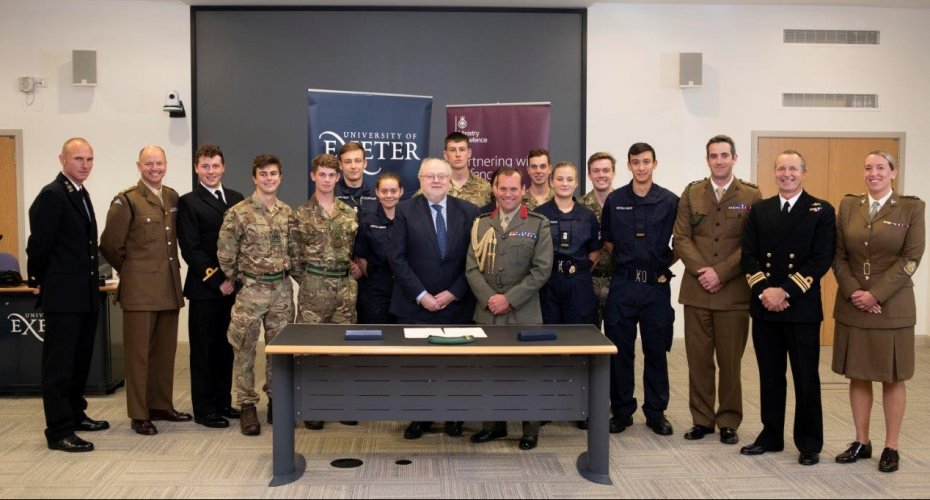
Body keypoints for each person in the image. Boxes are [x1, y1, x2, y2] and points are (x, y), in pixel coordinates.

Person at [740, 150, 835, 466]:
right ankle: (771, 435)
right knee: (769, 375)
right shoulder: (760, 209)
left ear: (804, 172)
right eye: (781, 169)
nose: (787, 174)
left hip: (801, 308)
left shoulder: (820, 210)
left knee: (805, 377)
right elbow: (749, 256)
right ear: (774, 173)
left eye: (793, 168)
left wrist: (786, 291)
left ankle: (809, 442)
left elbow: (821, 258)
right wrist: (767, 291)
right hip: (765, 305)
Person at [832, 151, 924, 473]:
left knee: (892, 376)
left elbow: (911, 258)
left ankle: (891, 445)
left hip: (892, 306)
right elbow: (838, 254)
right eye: (868, 167)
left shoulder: (912, 207)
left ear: (893, 173)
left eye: (880, 168)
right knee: (858, 373)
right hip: (853, 302)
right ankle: (861, 441)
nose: (873, 173)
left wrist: (876, 295)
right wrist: (854, 291)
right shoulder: (848, 206)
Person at [673, 135, 762, 445]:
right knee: (698, 360)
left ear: (734, 158)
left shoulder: (751, 195)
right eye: (714, 156)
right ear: (707, 159)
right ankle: (702, 419)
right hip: (697, 290)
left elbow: (752, 243)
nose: (719, 160)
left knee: (730, 362)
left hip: (734, 292)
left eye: (725, 155)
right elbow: (681, 237)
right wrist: (703, 272)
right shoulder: (692, 192)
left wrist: (721, 273)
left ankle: (728, 420)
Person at [100, 145, 190, 436]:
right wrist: (133, 270)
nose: (155, 168)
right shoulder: (126, 200)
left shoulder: (172, 197)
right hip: (139, 290)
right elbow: (110, 244)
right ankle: (139, 413)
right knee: (138, 355)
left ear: (166, 165)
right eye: (149, 164)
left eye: (159, 163)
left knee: (164, 353)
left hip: (168, 287)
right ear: (139, 166)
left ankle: (160, 405)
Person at [26, 137, 109, 452]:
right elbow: (40, 244)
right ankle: (59, 430)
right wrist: (38, 278)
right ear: (62, 159)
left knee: (79, 361)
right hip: (63, 294)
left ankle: (75, 413)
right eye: (78, 159)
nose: (84, 165)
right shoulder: (52, 195)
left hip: (84, 294)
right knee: (59, 366)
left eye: (89, 159)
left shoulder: (80, 193)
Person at [390, 158, 479, 440]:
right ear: (420, 179)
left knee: (456, 366)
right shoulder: (404, 211)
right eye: (431, 176)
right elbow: (397, 258)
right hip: (415, 305)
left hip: (457, 304)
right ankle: (421, 417)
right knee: (418, 366)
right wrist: (421, 295)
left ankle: (455, 417)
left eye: (442, 176)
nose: (437, 181)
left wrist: (455, 292)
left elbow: (475, 260)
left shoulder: (469, 211)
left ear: (450, 179)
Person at [466, 166, 553, 451]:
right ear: (494, 189)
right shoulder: (480, 223)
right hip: (487, 311)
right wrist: (491, 298)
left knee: (527, 372)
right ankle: (493, 426)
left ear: (523, 190)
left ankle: (530, 430)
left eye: (513, 189)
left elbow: (542, 271)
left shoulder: (538, 224)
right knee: (488, 371)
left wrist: (509, 299)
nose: (507, 194)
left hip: (523, 313)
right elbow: (471, 269)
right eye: (502, 188)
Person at [601, 142, 679, 436]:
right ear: (629, 165)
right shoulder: (616, 199)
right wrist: (629, 261)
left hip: (655, 287)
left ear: (655, 164)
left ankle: (656, 412)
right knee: (620, 351)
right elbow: (608, 239)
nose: (641, 167)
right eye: (636, 162)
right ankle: (622, 411)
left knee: (656, 350)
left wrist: (658, 264)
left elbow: (680, 243)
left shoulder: (670, 200)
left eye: (646, 161)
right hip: (623, 284)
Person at [217, 154, 294, 436]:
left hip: (282, 291)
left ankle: (277, 399)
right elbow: (225, 254)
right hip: (252, 290)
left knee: (280, 349)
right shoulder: (239, 212)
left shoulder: (287, 213)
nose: (269, 178)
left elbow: (294, 252)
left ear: (280, 177)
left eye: (274, 173)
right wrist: (242, 279)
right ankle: (247, 405)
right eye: (263, 174)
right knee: (245, 348)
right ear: (254, 177)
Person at [288, 153, 360, 430]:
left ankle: (341, 403)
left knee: (343, 349)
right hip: (313, 291)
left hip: (344, 290)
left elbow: (353, 251)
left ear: (338, 178)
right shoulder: (300, 214)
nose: (327, 180)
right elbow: (294, 258)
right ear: (313, 176)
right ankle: (313, 405)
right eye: (322, 175)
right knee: (311, 350)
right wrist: (309, 282)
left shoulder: (348, 213)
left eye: (332, 175)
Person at [177, 144, 245, 429]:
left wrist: (236, 279)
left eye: (215, 165)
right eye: (205, 166)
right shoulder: (188, 202)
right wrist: (219, 280)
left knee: (226, 348)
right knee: (204, 350)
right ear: (196, 169)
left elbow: (244, 242)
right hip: (206, 289)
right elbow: (190, 249)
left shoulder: (236, 198)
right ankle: (204, 409)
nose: (210, 171)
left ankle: (222, 401)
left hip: (234, 288)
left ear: (223, 167)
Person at [535, 161, 601, 326]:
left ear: (577, 182)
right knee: (549, 334)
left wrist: (579, 269)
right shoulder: (539, 215)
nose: (565, 183)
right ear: (551, 182)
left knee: (578, 334)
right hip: (548, 282)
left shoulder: (587, 216)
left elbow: (595, 251)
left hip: (578, 282)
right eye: (560, 179)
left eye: (569, 179)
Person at [354, 173, 403, 324]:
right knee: (377, 336)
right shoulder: (367, 221)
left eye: (393, 191)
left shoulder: (409, 218)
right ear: (377, 192)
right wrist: (377, 278)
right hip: (377, 290)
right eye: (384, 191)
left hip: (404, 290)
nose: (389, 195)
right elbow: (361, 257)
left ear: (401, 191)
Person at [579, 152, 617, 323]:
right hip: (588, 281)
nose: (601, 175)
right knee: (588, 339)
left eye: (606, 170)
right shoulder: (578, 206)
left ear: (613, 173)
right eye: (596, 171)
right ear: (589, 174)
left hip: (617, 280)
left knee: (618, 340)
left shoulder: (625, 203)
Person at [443, 132, 493, 207]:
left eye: (462, 149)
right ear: (445, 155)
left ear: (469, 153)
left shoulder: (485, 188)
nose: (457, 154)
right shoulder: (436, 185)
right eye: (452, 150)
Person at [334, 142, 377, 212]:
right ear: (340, 165)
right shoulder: (331, 196)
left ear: (365, 163)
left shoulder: (376, 197)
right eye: (347, 162)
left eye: (358, 161)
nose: (353, 166)